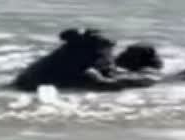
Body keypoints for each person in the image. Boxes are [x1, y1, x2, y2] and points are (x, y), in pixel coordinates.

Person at [13, 28, 158, 92]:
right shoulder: (85, 72)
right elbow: (112, 85)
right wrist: (150, 79)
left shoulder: (64, 56)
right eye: (108, 52)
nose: (111, 57)